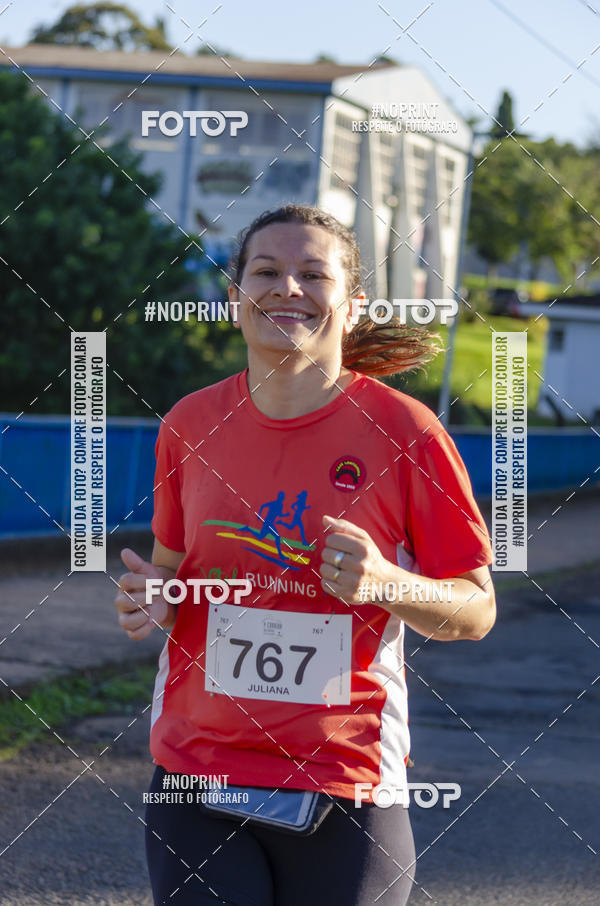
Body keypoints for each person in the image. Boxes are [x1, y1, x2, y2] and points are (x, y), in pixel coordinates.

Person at [114, 204, 496, 906]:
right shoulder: (189, 424)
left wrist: (386, 583)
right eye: (266, 271)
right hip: (198, 772)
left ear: (351, 307)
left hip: (344, 782)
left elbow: (474, 611)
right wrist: (157, 597)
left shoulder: (407, 434)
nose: (287, 287)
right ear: (236, 301)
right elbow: (171, 573)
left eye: (312, 274)